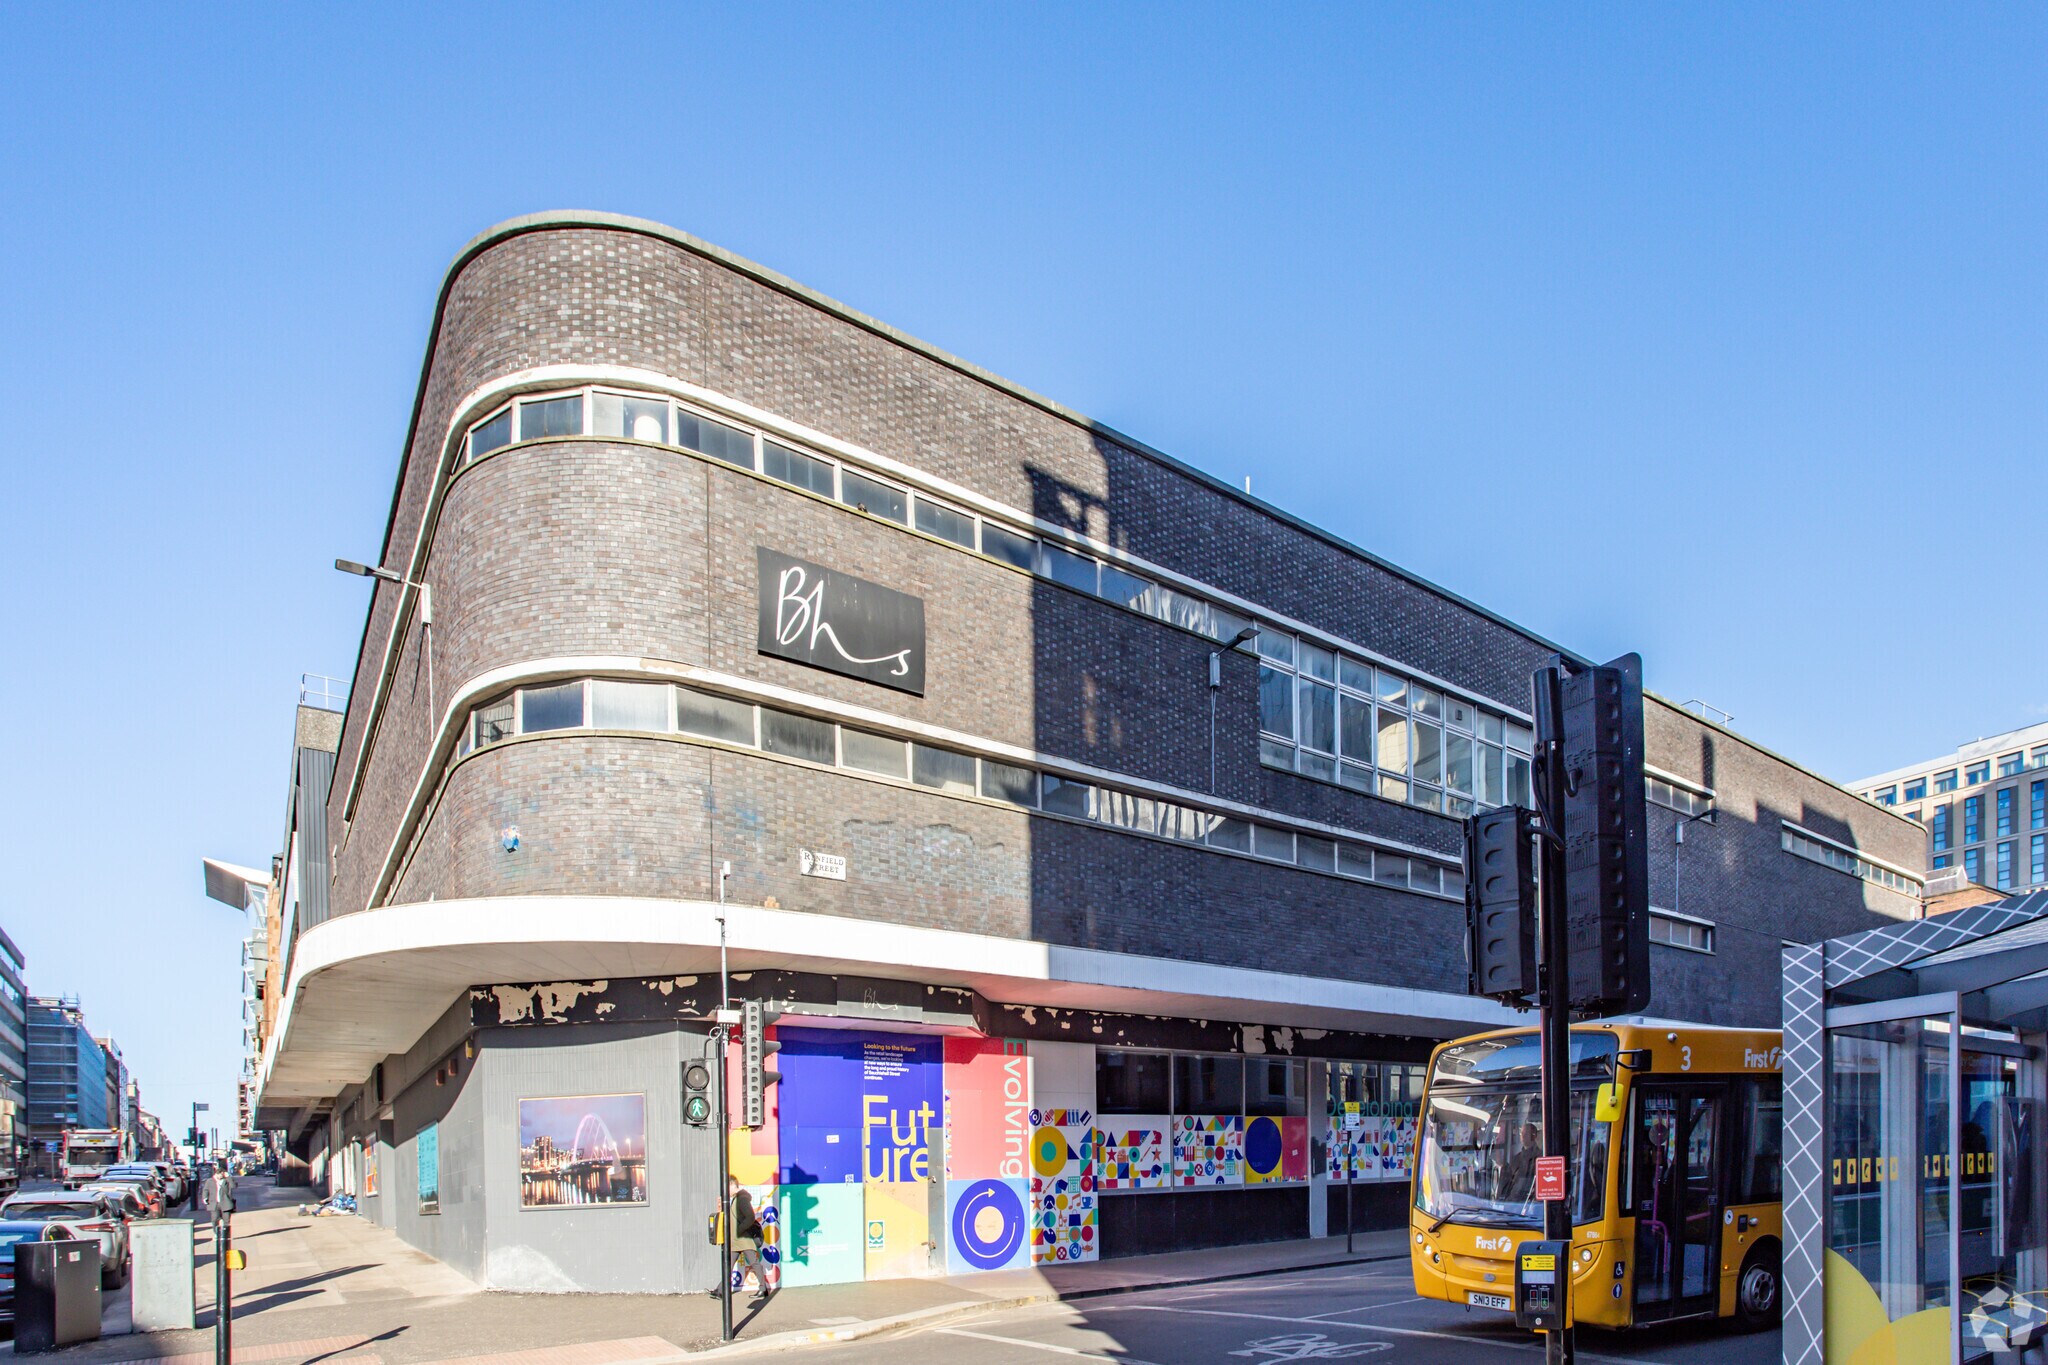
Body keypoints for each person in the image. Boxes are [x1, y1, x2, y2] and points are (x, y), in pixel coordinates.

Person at [728, 1177, 768, 1300]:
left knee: (754, 1263)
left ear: (732, 1185)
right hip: (737, 1240)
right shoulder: (737, 1198)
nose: (727, 1191)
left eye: (727, 1188)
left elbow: (750, 1217)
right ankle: (720, 1291)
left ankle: (763, 1289)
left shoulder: (742, 1198)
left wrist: (739, 1230)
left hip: (743, 1239)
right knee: (728, 1265)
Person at [1495, 1121, 1540, 1203]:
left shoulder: (1540, 1157)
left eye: (1526, 1133)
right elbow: (1509, 1182)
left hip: (1530, 1202)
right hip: (1514, 1203)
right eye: (1521, 1133)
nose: (1523, 1136)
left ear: (1534, 1136)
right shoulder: (1516, 1159)